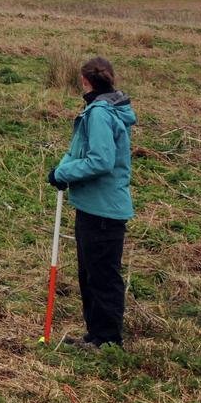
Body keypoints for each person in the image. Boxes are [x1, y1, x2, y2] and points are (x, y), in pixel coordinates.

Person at [48, 56, 136, 348]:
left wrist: (65, 173)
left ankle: (108, 341)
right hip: (93, 206)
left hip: (103, 210)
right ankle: (95, 336)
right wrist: (62, 170)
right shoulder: (104, 109)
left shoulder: (99, 113)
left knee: (101, 276)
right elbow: (78, 152)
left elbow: (100, 160)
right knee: (89, 274)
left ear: (85, 81)